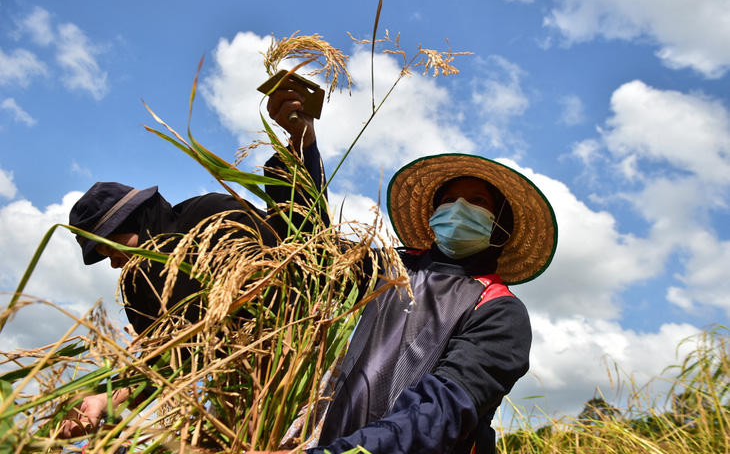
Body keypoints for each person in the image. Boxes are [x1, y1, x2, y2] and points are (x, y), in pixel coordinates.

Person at [57, 88, 328, 439]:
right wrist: (105, 399)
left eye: (110, 249)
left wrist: (301, 144)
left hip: (311, 366)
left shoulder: (210, 216)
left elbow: (304, 246)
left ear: (137, 220)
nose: (114, 265)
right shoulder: (142, 292)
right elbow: (166, 365)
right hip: (249, 398)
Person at [254, 153, 557, 453]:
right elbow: (312, 251)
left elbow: (437, 413)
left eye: (478, 201)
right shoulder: (388, 266)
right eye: (448, 199)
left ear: (500, 224)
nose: (459, 208)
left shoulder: (499, 309)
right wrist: (301, 145)